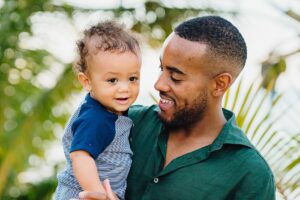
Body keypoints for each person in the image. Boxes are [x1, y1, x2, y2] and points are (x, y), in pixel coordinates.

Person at [80, 15, 276, 200]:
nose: (159, 84)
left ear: (220, 84)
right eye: (161, 69)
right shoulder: (125, 121)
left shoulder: (250, 173)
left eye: (175, 77)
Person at [55, 20, 141, 200]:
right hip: (83, 194)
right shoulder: (95, 117)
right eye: (112, 80)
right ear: (87, 82)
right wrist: (99, 195)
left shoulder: (112, 110)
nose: (124, 88)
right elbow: (81, 157)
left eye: (132, 78)